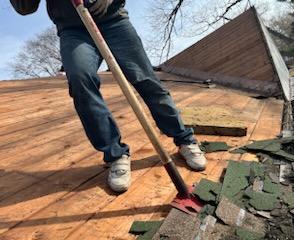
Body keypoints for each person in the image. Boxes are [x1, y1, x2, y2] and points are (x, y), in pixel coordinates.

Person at [10, 0, 207, 192]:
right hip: (73, 30)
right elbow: (25, 8)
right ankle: (115, 155)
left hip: (113, 20)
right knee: (80, 81)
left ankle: (185, 139)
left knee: (146, 80)